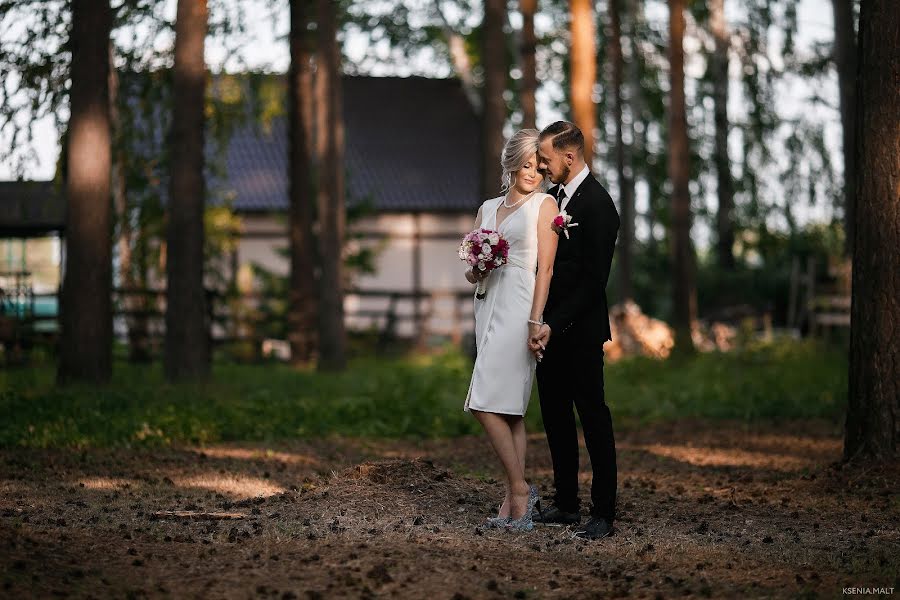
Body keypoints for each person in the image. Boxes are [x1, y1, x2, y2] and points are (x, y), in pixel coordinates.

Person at [463, 128, 559, 531]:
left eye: (539, 166)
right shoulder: (487, 208)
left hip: (520, 305)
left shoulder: (545, 204)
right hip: (486, 302)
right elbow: (470, 272)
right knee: (510, 410)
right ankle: (513, 500)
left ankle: (520, 490)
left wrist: (536, 320)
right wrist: (479, 265)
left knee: (483, 403)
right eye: (526, 165)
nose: (534, 173)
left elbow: (546, 269)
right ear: (510, 165)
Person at [529, 120, 620, 540]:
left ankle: (603, 510)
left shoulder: (599, 206)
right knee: (555, 417)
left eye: (546, 160)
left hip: (580, 331)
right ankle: (566, 502)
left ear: (570, 156)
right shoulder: (550, 201)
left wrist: (555, 323)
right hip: (548, 329)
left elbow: (592, 282)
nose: (543, 167)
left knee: (593, 416)